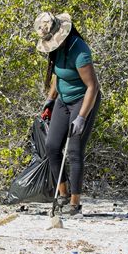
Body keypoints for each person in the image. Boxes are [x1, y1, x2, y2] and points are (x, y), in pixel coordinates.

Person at [34, 11, 101, 216]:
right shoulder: (57, 51)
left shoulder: (78, 49)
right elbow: (58, 77)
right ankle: (62, 194)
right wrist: (50, 100)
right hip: (63, 101)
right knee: (52, 146)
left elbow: (93, 86)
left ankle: (75, 203)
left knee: (73, 151)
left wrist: (81, 117)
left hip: (83, 100)